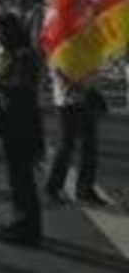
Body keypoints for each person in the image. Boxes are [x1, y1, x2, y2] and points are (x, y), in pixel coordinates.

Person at [0, 12, 43, 246]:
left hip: (22, 127)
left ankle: (27, 228)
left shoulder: (24, 56)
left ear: (10, 31)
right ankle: (23, 223)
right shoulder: (17, 54)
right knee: (18, 179)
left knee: (22, 180)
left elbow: (21, 89)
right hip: (15, 125)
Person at [44, 67, 106, 205]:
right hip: (67, 102)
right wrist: (71, 84)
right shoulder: (62, 49)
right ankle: (52, 188)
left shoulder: (88, 48)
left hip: (88, 99)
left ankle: (85, 190)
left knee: (90, 148)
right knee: (66, 146)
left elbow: (94, 69)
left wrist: (92, 82)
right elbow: (56, 68)